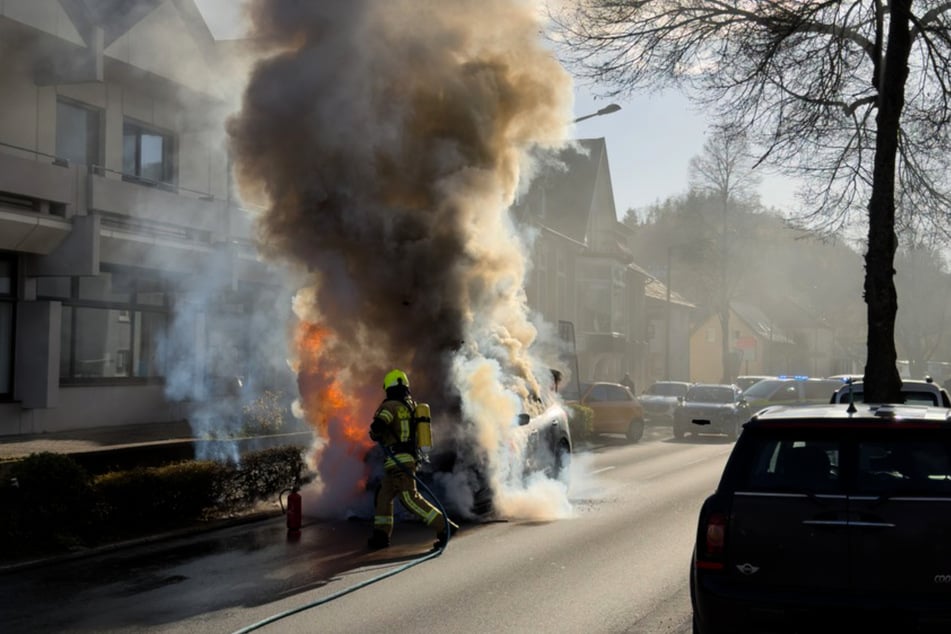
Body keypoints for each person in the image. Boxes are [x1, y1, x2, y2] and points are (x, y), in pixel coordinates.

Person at [367, 369, 459, 550]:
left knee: (410, 499)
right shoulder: (410, 406)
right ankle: (381, 536)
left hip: (398, 461)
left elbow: (379, 425)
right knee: (384, 497)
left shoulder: (390, 406)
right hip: (404, 460)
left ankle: (445, 527)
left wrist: (375, 430)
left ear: (389, 387)